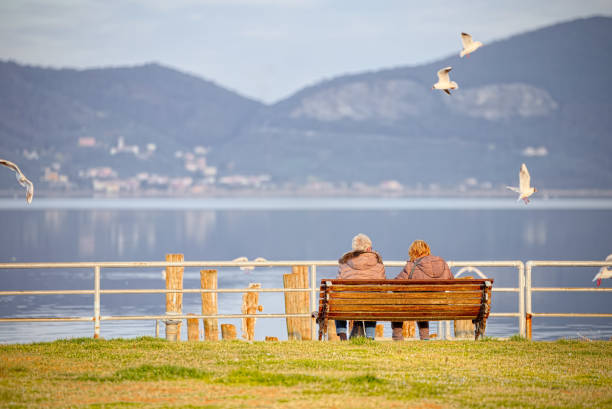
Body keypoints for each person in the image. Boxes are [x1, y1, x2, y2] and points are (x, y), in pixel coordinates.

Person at [391, 240, 452, 341]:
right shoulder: (442, 262)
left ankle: (397, 337)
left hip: (418, 304)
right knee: (422, 303)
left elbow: (396, 285)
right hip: (440, 305)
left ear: (413, 252)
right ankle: (425, 338)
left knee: (397, 304)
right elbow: (451, 281)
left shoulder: (412, 265)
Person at [335, 233, 386, 340]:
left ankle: (343, 336)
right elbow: (382, 287)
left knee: (337, 300)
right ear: (368, 248)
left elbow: (338, 285)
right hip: (370, 304)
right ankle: (370, 337)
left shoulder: (345, 262)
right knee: (372, 300)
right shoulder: (378, 263)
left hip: (348, 305)